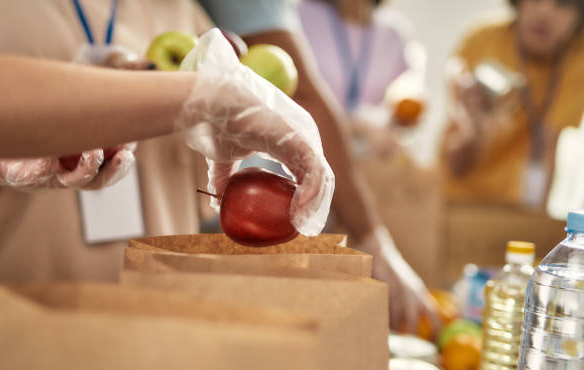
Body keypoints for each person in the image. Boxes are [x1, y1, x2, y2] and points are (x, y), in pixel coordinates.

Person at [0, 1, 332, 300]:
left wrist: (133, 100)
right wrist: (205, 96)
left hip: (157, 327)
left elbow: (208, 184)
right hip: (7, 326)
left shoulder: (177, 11)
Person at [199, 0, 439, 333]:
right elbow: (305, 96)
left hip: (287, 192)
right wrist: (374, 241)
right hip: (243, 193)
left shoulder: (393, 33)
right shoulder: (304, 13)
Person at [441, 0, 584, 207]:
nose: (544, 12)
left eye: (562, 4)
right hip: (453, 198)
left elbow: (547, 148)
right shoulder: (482, 40)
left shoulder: (577, 60)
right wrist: (475, 125)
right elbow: (456, 166)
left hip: (513, 207)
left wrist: (533, 223)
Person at [298, 0, 426, 157]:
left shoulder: (394, 33)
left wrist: (399, 118)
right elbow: (291, 102)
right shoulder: (300, 17)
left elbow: (408, 93)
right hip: (307, 154)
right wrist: (357, 126)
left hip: (367, 160)